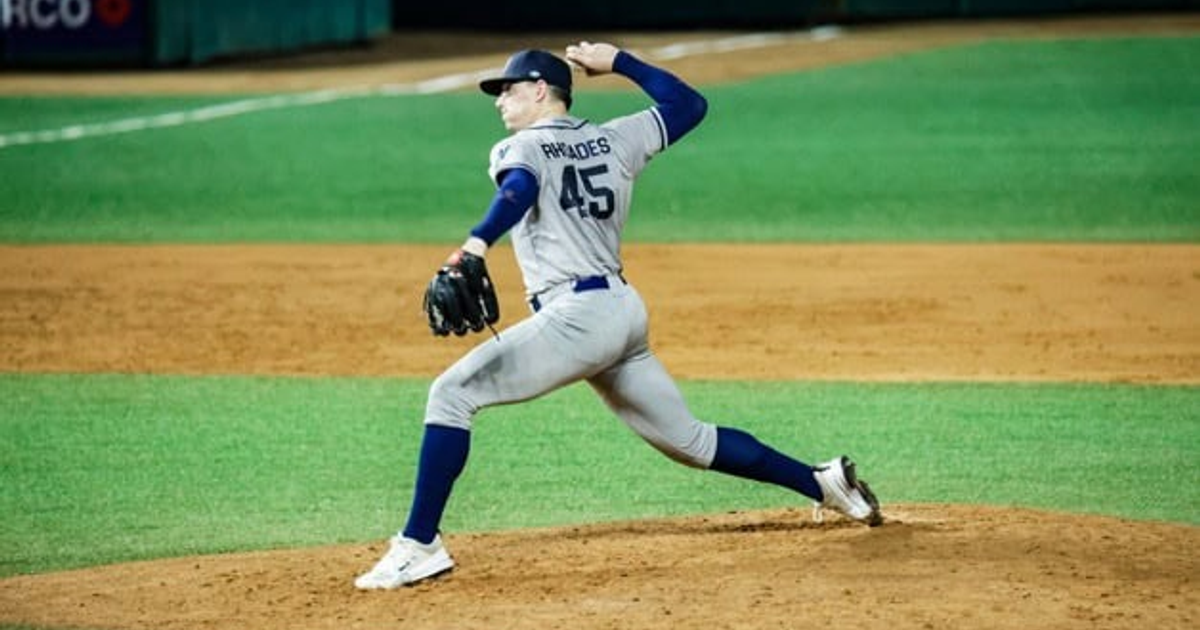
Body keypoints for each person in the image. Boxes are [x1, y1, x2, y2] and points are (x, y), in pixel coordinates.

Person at [354, 42, 881, 590]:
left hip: (578, 319)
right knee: (692, 442)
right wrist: (622, 62)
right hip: (621, 312)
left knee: (451, 394)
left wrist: (475, 245)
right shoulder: (616, 137)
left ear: (540, 90)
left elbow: (519, 191)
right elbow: (689, 106)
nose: (499, 102)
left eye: (508, 89)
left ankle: (419, 545)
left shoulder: (522, 148)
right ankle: (824, 484)